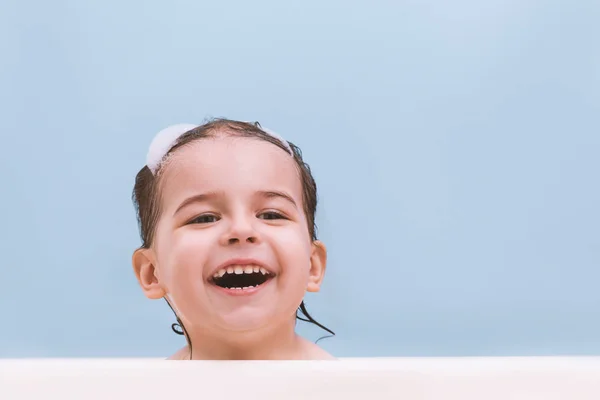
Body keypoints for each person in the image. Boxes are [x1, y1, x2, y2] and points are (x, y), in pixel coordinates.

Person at [131, 118, 335, 360]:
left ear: (313, 266)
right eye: (204, 218)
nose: (241, 230)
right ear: (152, 272)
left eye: (271, 214)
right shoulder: (149, 390)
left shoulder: (346, 389)